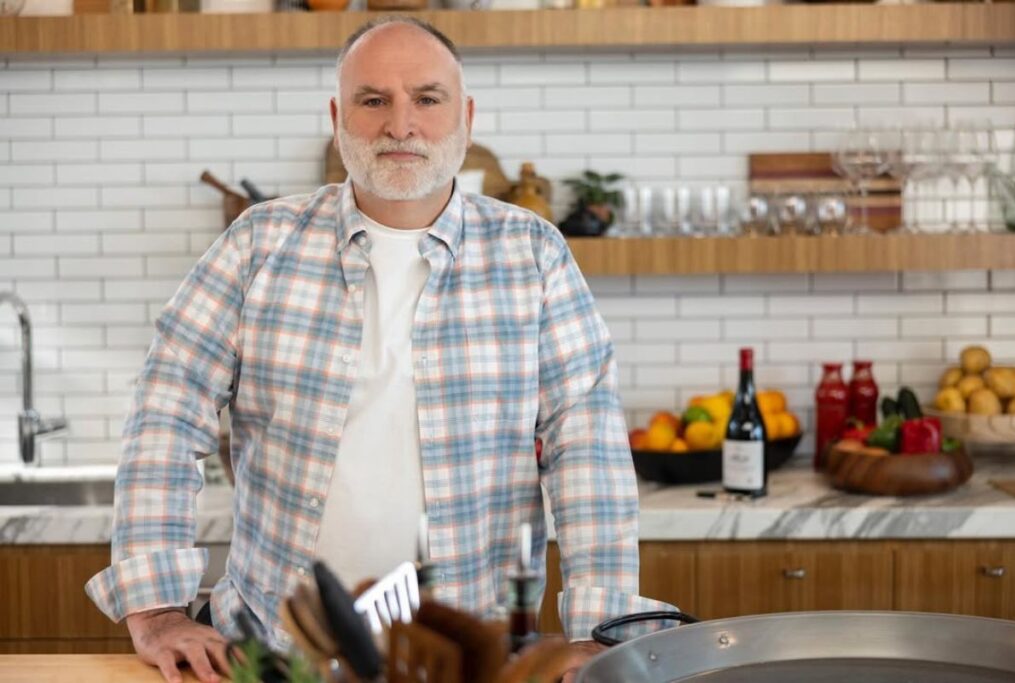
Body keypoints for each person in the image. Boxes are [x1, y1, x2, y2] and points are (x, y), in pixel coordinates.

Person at [86, 16, 668, 683]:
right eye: (373, 100)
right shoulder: (256, 245)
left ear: (465, 116)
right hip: (276, 656)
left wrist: (603, 629)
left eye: (426, 98)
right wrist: (156, 607)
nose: (401, 124)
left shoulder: (533, 253)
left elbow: (585, 443)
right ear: (339, 117)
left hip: (473, 659)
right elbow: (166, 409)